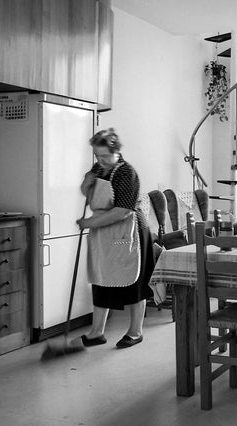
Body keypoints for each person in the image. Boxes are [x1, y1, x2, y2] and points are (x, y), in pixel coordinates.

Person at [75, 128, 155, 349]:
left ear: (116, 151)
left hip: (129, 231)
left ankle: (135, 332)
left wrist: (89, 223)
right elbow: (89, 194)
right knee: (101, 279)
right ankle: (96, 332)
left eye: (105, 156)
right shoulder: (99, 168)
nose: (100, 160)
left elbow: (123, 211)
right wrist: (86, 182)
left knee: (133, 281)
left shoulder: (126, 173)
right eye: (97, 156)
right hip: (104, 232)